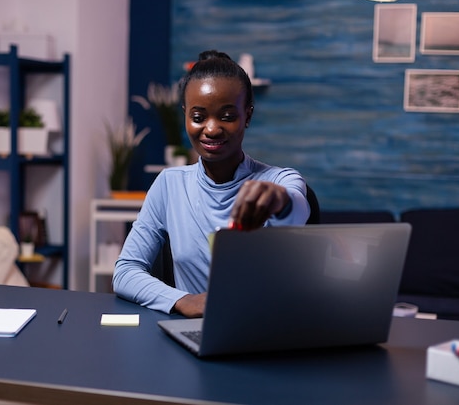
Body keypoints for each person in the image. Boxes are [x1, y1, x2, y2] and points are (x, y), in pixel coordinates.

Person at [112, 50, 312, 317]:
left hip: (265, 333)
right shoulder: (169, 185)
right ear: (185, 116)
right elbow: (125, 272)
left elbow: (297, 208)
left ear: (247, 116)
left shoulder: (280, 180)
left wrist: (279, 201)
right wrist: (183, 300)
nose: (212, 128)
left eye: (227, 116)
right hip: (194, 334)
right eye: (198, 117)